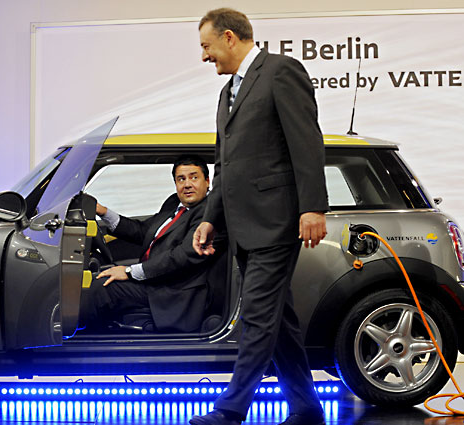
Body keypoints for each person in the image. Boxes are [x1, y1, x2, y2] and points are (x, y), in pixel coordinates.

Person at [190, 8, 329, 425]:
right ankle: (307, 408)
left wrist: (312, 206)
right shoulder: (227, 92)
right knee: (277, 321)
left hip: (276, 222)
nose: (204, 56)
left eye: (207, 47)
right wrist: (210, 218)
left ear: (229, 38)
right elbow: (224, 166)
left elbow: (307, 143)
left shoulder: (281, 72)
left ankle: (231, 409)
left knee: (255, 315)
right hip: (244, 227)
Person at [80, 155, 226, 333]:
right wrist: (102, 211)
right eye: (181, 179)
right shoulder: (174, 203)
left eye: (194, 177)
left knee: (101, 289)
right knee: (97, 278)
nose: (187, 184)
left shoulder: (210, 214)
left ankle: (80, 343)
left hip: (176, 291)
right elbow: (143, 231)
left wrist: (129, 272)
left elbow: (182, 257)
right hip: (155, 280)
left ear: (207, 181)